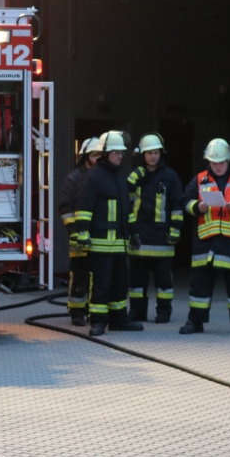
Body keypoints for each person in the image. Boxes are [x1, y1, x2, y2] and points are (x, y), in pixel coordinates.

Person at [179, 138, 230, 336]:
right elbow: (184, 202)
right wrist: (196, 207)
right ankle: (195, 322)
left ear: (229, 160)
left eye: (221, 162)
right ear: (208, 162)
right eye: (214, 163)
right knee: (199, 287)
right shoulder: (199, 180)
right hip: (206, 244)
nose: (217, 166)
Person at [73, 131, 144, 337]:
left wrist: (134, 233)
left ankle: (119, 320)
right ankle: (98, 322)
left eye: (121, 153)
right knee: (101, 285)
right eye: (115, 153)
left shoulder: (119, 177)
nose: (120, 156)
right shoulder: (93, 176)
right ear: (104, 153)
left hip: (121, 244)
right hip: (101, 243)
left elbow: (127, 211)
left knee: (120, 284)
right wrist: (83, 232)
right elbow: (84, 207)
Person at [126, 133, 184, 323]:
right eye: (149, 153)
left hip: (162, 237)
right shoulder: (136, 176)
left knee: (164, 281)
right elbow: (126, 201)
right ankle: (137, 312)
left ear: (161, 153)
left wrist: (175, 230)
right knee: (137, 282)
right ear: (142, 155)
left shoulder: (170, 176)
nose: (153, 156)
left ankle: (164, 312)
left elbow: (177, 205)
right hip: (139, 236)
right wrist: (131, 181)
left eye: (156, 152)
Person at [58, 136, 103, 326]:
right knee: (80, 274)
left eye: (101, 155)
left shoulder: (105, 177)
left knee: (99, 276)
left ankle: (95, 311)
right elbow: (66, 208)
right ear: (86, 158)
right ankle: (77, 312)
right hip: (78, 237)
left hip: (100, 236)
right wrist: (75, 232)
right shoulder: (74, 178)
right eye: (95, 155)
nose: (99, 159)